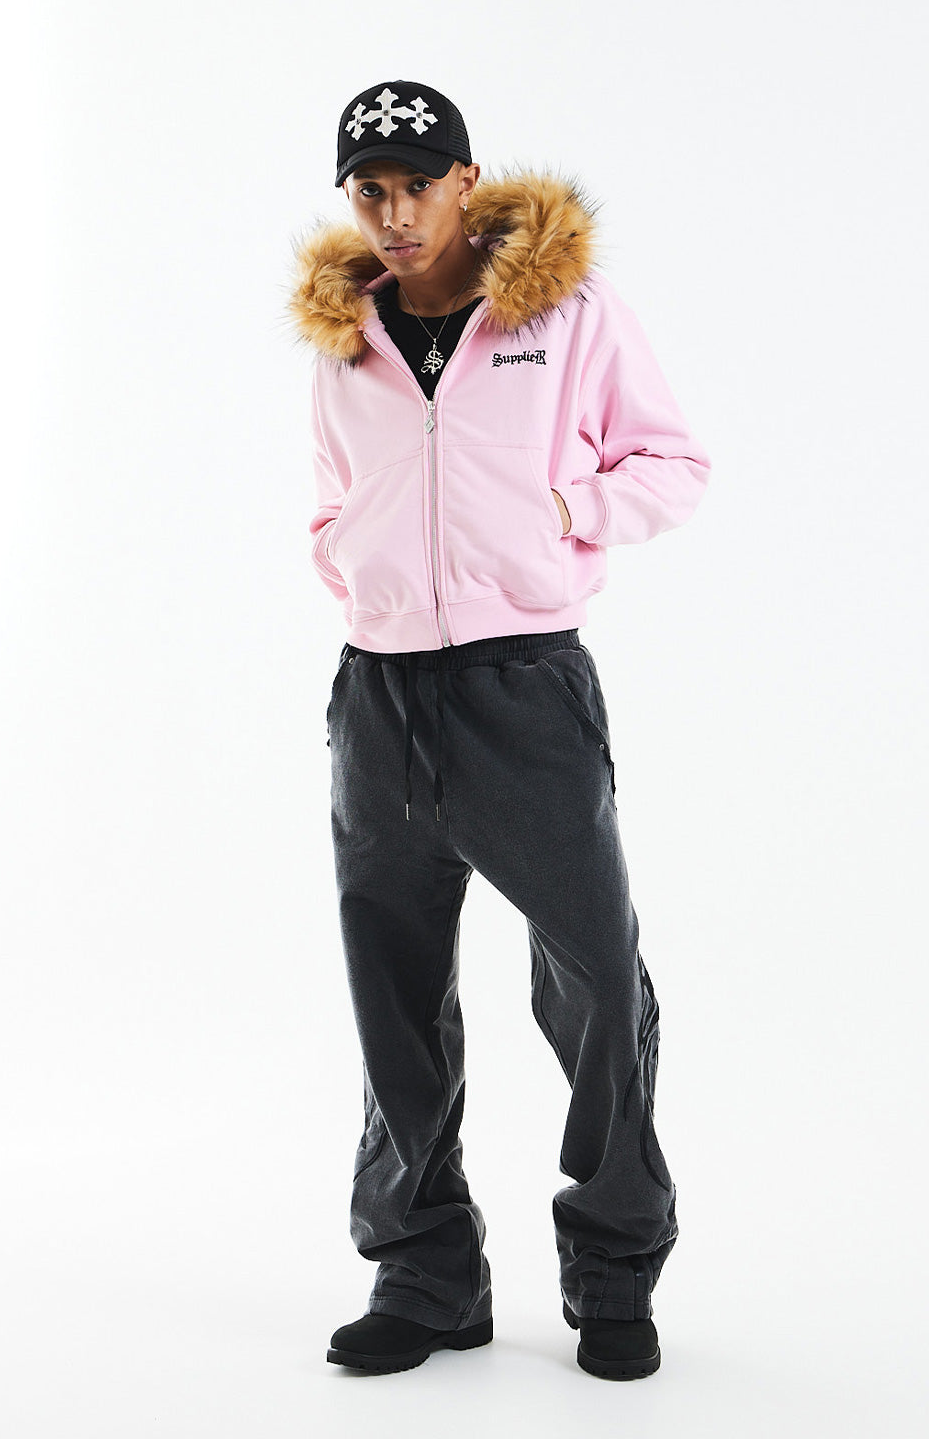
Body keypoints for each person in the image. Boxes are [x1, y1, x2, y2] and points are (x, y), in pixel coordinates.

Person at [285, 79, 711, 1379]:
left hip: (524, 688)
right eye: (371, 191)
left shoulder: (566, 317)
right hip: (380, 696)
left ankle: (614, 1270)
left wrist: (564, 512)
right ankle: (425, 1274)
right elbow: (334, 501)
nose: (396, 213)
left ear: (466, 182)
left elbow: (672, 466)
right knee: (394, 993)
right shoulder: (346, 339)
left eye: (419, 184)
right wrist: (356, 570)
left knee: (596, 980)